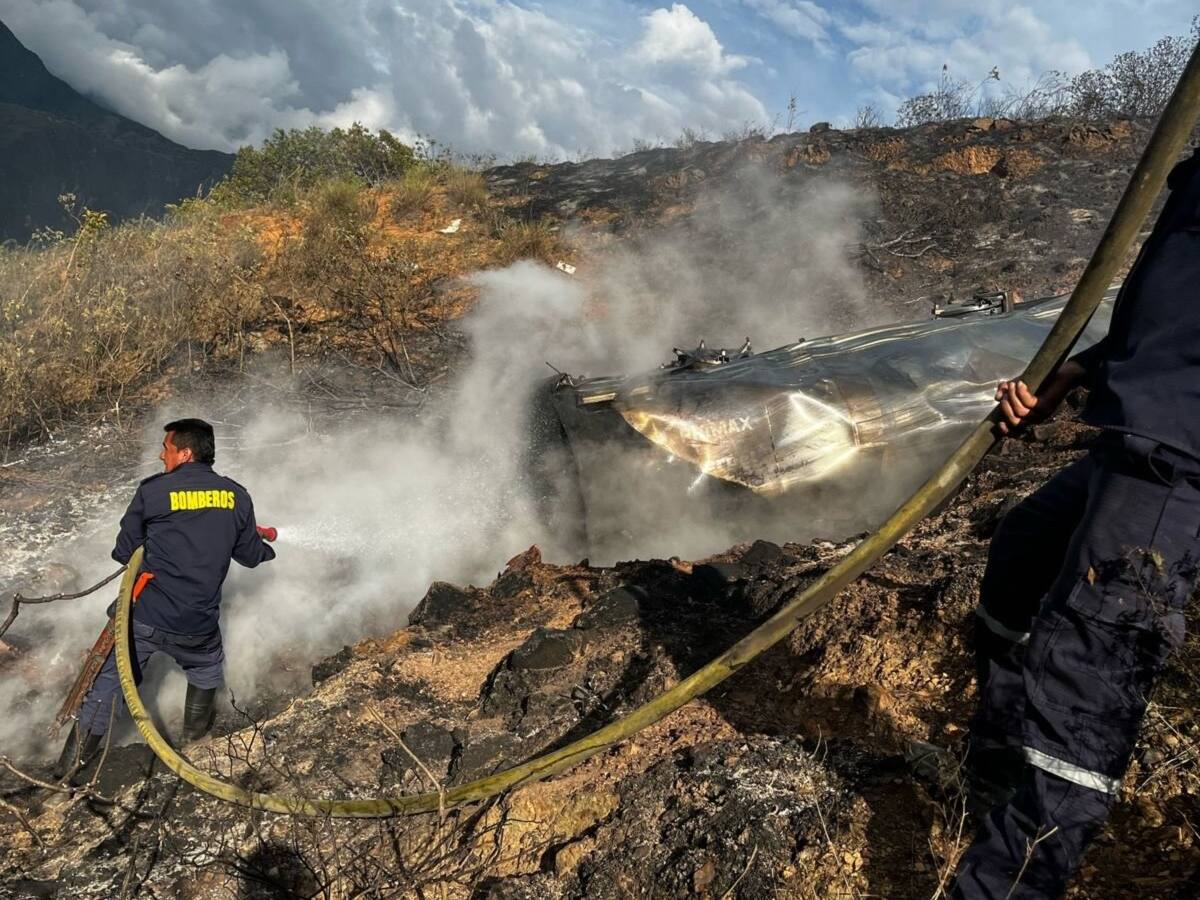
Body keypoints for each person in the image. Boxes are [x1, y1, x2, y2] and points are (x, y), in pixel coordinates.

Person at [949, 147, 1200, 898]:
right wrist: (1072, 373)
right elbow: (1171, 307)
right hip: (1140, 428)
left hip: (1180, 452)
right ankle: (997, 760)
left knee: (1087, 674)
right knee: (1023, 551)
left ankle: (1008, 879)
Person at [54, 418, 276, 777]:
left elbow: (124, 550)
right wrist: (264, 548)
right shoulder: (237, 495)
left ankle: (65, 774)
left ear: (185, 453)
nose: (161, 455)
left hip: (145, 618)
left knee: (110, 683)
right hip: (197, 625)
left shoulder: (153, 492)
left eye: (167, 449)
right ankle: (196, 749)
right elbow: (251, 556)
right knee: (206, 669)